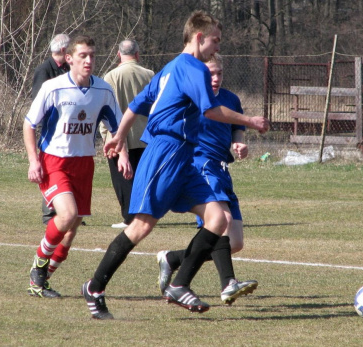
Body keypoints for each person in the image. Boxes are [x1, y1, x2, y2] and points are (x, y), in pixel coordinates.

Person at [81, 11, 269, 320]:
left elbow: (137, 105)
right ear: (198, 38)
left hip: (185, 157)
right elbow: (210, 110)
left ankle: (180, 284)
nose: (216, 48)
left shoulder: (170, 69)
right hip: (166, 153)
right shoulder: (192, 67)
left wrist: (120, 134)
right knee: (140, 227)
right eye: (215, 40)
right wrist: (249, 120)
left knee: (218, 217)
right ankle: (95, 286)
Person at [23, 35, 132, 298]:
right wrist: (33, 161)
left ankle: (41, 279)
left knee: (71, 231)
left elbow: (118, 129)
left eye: (92, 55)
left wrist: (124, 155)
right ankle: (38, 268)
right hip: (54, 160)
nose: (89, 60)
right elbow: (29, 124)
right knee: (67, 215)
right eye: (83, 55)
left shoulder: (103, 90)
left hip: (84, 163)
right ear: (69, 58)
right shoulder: (53, 87)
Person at [156, 54, 257, 306]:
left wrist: (240, 143)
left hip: (222, 169)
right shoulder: (193, 97)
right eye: (210, 73)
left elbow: (237, 127)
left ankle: (173, 259)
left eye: (219, 73)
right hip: (200, 167)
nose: (215, 78)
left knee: (234, 243)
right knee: (222, 221)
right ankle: (228, 284)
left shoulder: (231, 99)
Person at [100, 39, 155, 229]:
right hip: (145, 136)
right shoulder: (150, 75)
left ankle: (129, 218)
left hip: (120, 137)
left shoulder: (111, 76)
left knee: (122, 178)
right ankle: (144, 214)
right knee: (142, 177)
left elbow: (107, 108)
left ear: (118, 54)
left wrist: (105, 135)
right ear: (138, 54)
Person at [31, 33, 71, 225]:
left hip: (70, 130)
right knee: (51, 170)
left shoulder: (69, 69)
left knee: (70, 170)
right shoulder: (44, 70)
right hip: (52, 130)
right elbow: (39, 102)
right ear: (63, 50)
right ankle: (49, 213)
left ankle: (71, 212)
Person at [31, 33, 70, 99]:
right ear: (63, 50)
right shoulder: (43, 70)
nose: (72, 51)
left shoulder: (69, 67)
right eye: (70, 48)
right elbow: (38, 99)